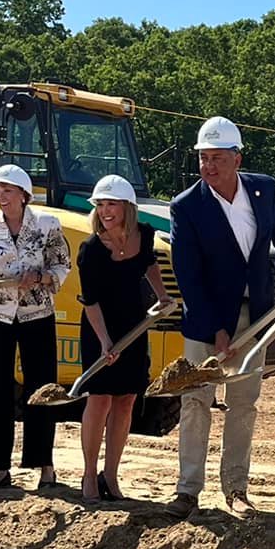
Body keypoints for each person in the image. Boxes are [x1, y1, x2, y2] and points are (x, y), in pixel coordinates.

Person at [167, 115, 275, 517]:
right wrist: (216, 330)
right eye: (204, 158)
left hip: (255, 314)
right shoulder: (186, 207)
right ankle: (187, 490)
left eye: (217, 158)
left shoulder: (263, 190)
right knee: (196, 400)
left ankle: (236, 489)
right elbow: (187, 274)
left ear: (237, 159)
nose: (209, 166)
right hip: (207, 319)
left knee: (243, 402)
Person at [0, 163, 72, 489]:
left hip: (37, 312)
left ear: (23, 195)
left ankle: (44, 464)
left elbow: (61, 265)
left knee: (41, 388)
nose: (1, 196)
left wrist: (39, 278)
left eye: (8, 191)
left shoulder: (47, 225)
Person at [74, 173, 167, 503]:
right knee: (99, 399)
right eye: (100, 205)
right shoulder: (91, 251)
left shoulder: (144, 234)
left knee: (126, 399)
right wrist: (104, 342)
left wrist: (162, 295)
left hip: (134, 326)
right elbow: (91, 302)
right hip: (101, 330)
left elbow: (150, 263)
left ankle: (110, 475)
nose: (104, 210)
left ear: (127, 207)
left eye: (111, 204)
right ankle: (88, 474)